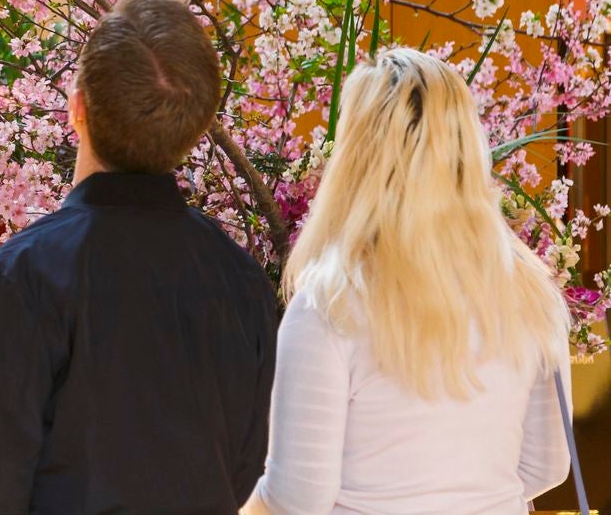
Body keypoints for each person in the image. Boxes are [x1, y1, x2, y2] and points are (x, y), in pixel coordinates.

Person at [0, 0, 279, 514]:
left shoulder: (25, 275)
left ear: (76, 106)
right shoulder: (242, 280)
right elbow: (248, 468)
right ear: (197, 128)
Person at [244, 48, 571, 515]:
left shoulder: (330, 303)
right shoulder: (530, 292)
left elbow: (298, 498)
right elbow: (547, 466)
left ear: (357, 156)